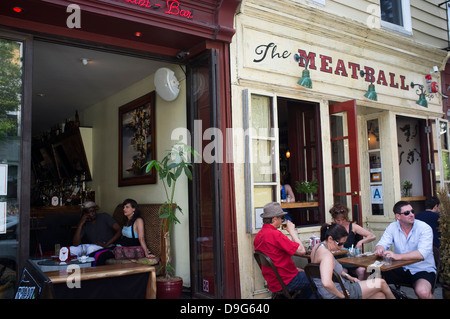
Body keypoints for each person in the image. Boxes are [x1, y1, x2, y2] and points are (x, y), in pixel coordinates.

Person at [310, 223, 395, 299]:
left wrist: (349, 277)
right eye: (339, 243)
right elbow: (326, 283)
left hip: (331, 290)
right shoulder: (327, 256)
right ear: (330, 239)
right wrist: (341, 295)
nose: (341, 247)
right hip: (338, 292)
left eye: (343, 243)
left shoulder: (317, 247)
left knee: (380, 296)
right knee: (381, 282)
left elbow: (329, 270)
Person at [374, 200, 436, 299]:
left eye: (412, 211)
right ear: (398, 216)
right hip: (401, 268)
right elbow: (381, 243)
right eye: (407, 213)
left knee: (423, 293)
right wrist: (379, 249)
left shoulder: (424, 228)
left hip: (422, 269)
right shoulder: (392, 227)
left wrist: (397, 256)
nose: (411, 214)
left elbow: (422, 254)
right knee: (372, 274)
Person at [254, 202, 313, 298]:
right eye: (281, 218)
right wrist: (292, 231)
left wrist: (295, 269)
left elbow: (274, 258)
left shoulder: (259, 236)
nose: (282, 220)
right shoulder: (275, 234)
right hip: (286, 280)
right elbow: (302, 251)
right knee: (314, 280)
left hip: (273, 280)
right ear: (274, 219)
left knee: (303, 275)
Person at [329, 202, 376, 279]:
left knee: (362, 270)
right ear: (334, 219)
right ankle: (345, 290)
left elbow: (372, 236)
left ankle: (361, 289)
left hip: (352, 259)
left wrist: (361, 242)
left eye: (343, 219)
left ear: (346, 218)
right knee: (343, 271)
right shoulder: (331, 227)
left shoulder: (353, 226)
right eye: (338, 220)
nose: (340, 222)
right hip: (338, 259)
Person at [72, 201, 122, 265]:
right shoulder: (84, 223)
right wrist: (81, 224)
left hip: (107, 246)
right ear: (84, 213)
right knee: (72, 250)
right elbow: (75, 243)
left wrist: (106, 244)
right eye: (89, 212)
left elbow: (119, 230)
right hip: (93, 246)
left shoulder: (104, 216)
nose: (93, 213)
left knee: (90, 250)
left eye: (93, 211)